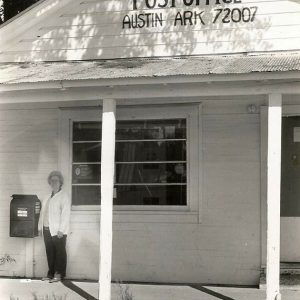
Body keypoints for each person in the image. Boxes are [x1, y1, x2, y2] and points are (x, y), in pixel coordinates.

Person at [38, 171, 71, 282]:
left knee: (60, 252)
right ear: (49, 182)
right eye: (52, 180)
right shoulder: (47, 197)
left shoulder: (64, 196)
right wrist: (40, 228)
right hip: (47, 229)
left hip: (58, 231)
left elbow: (66, 214)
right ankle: (50, 274)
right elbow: (43, 213)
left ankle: (59, 274)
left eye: (56, 180)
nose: (54, 182)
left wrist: (61, 230)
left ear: (60, 182)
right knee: (50, 252)